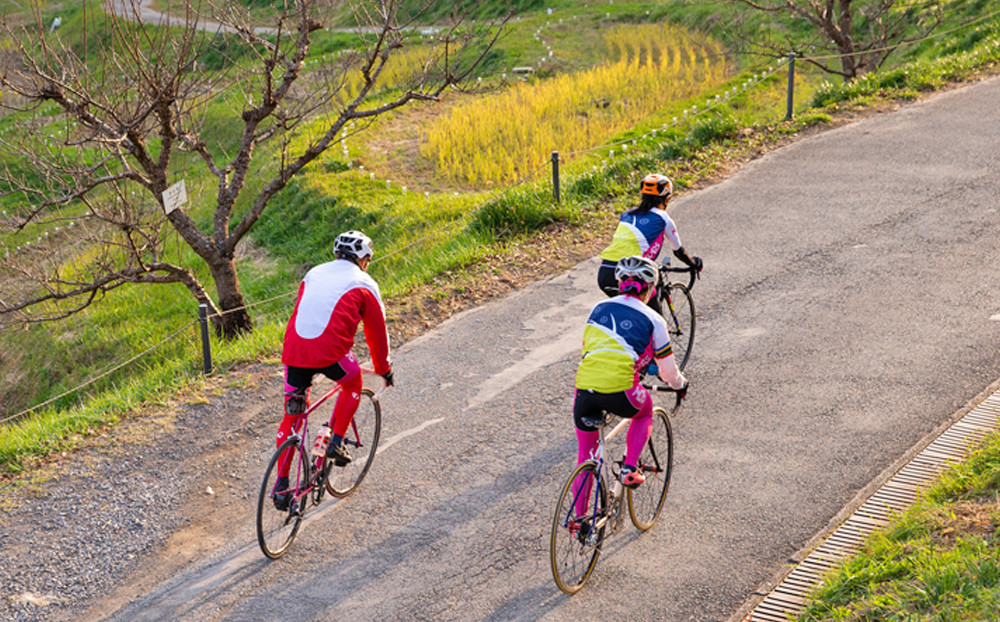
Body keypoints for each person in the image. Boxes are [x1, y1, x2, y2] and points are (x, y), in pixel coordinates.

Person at [273, 230, 394, 510]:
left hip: (294, 350)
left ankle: (280, 485)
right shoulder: (365, 282)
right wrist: (383, 369)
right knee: (352, 384)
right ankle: (336, 442)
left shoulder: (314, 273)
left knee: (293, 415)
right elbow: (377, 334)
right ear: (364, 259)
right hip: (330, 352)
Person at [574, 255, 687, 499]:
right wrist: (680, 385)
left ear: (619, 283)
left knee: (586, 455)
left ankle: (579, 522)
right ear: (650, 288)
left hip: (584, 387)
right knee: (645, 411)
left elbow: (587, 348)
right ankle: (629, 468)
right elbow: (668, 373)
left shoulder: (598, 308)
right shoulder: (655, 319)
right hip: (621, 389)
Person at [596, 173, 702, 313]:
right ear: (666, 199)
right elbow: (678, 251)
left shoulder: (627, 215)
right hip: (633, 273)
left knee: (627, 310)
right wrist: (693, 264)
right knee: (654, 320)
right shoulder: (663, 219)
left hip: (606, 272)